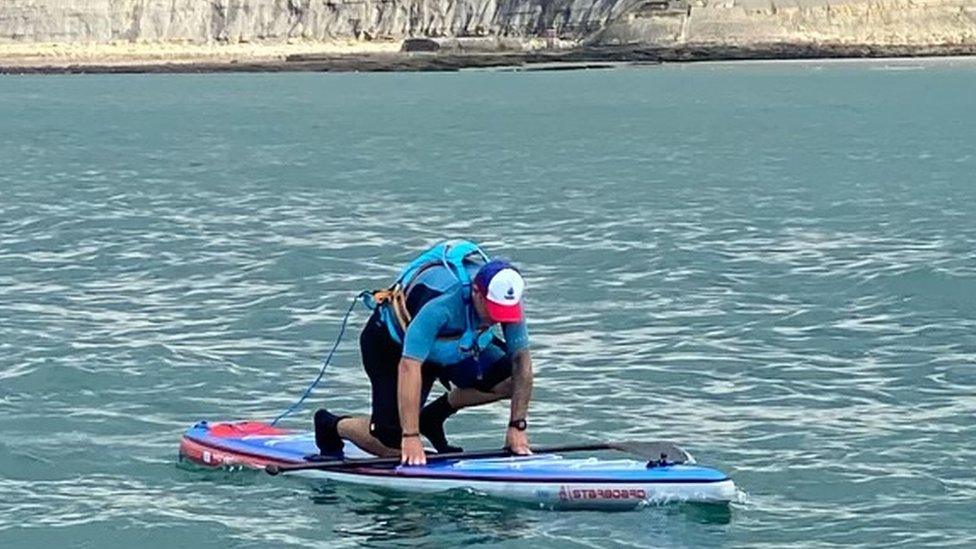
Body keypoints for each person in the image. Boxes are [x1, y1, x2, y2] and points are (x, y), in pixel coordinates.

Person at [313, 240, 533, 466]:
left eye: (504, 313)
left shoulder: (508, 299)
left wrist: (517, 426)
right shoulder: (442, 304)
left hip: (453, 345)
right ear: (476, 292)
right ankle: (331, 425)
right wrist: (410, 436)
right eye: (493, 310)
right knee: (391, 442)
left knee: (513, 380)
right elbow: (410, 367)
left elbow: (522, 361)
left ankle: (432, 416)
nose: (498, 319)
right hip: (391, 347)